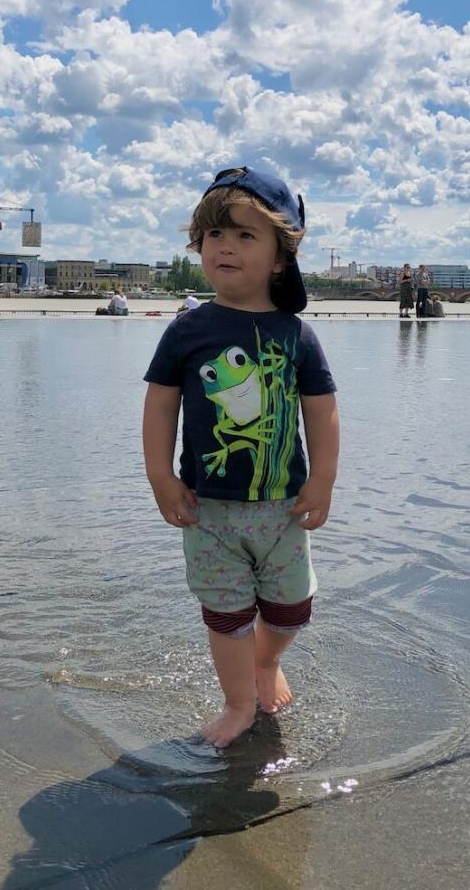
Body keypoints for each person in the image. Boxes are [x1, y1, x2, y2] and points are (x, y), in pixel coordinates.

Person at [143, 166, 339, 749]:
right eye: (213, 235)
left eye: (245, 235)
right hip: (210, 509)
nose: (225, 246)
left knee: (292, 607)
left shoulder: (295, 335)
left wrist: (323, 478)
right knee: (224, 611)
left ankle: (267, 660)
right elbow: (160, 408)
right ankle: (238, 703)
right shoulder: (187, 331)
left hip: (283, 508)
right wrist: (161, 477)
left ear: (281, 257)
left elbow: (321, 410)